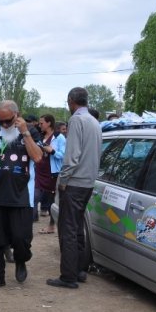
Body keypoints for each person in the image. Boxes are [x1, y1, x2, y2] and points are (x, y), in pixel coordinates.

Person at [0, 100, 43, 290]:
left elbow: (37, 157)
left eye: (8, 121)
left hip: (21, 196)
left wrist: (25, 132)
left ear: (16, 115)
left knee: (21, 238)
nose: (4, 124)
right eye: (0, 120)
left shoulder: (30, 131)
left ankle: (21, 260)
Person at [47, 87, 102, 289]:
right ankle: (79, 270)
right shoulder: (94, 121)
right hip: (87, 182)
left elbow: (72, 156)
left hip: (75, 182)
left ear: (71, 101)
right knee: (77, 227)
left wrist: (63, 180)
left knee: (68, 228)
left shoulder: (77, 120)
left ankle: (68, 276)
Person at [34, 114, 66, 233]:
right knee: (34, 196)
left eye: (42, 123)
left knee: (52, 200)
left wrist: (51, 151)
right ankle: (30, 219)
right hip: (39, 171)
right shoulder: (39, 136)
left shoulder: (59, 138)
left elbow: (63, 155)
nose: (39, 125)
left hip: (52, 173)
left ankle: (51, 226)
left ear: (49, 123)